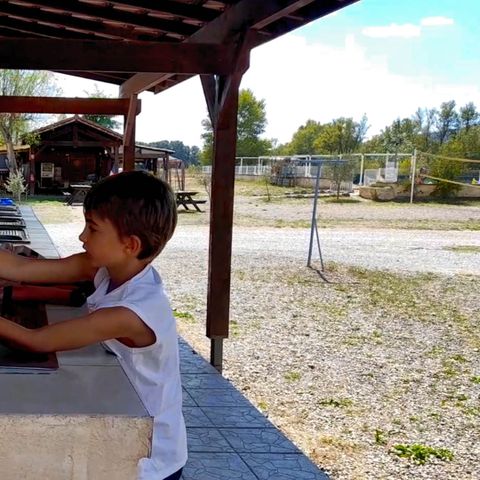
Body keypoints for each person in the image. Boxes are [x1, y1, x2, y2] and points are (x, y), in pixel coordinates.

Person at [0, 171, 187, 480]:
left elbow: (37, 341)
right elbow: (22, 268)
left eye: (92, 228)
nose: (82, 237)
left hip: (149, 454)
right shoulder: (104, 268)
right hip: (125, 415)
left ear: (130, 244)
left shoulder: (131, 312)